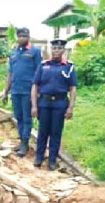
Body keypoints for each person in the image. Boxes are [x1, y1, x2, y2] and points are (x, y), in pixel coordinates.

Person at [31, 39, 77, 170]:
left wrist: (70, 108)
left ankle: (52, 160)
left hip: (60, 103)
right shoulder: (43, 65)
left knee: (56, 133)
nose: (56, 51)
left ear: (63, 50)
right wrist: (34, 106)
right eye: (54, 48)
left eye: (59, 48)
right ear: (51, 50)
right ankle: (38, 158)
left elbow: (73, 88)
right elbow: (35, 86)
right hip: (44, 103)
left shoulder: (69, 67)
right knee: (42, 132)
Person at [2, 27, 41, 157]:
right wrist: (5, 92)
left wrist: (38, 92)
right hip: (15, 91)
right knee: (18, 117)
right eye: (19, 36)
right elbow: (10, 74)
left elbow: (39, 72)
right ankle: (22, 140)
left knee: (26, 118)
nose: (21, 39)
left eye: (24, 36)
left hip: (28, 91)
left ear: (28, 37)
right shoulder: (13, 53)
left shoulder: (35, 52)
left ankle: (25, 143)